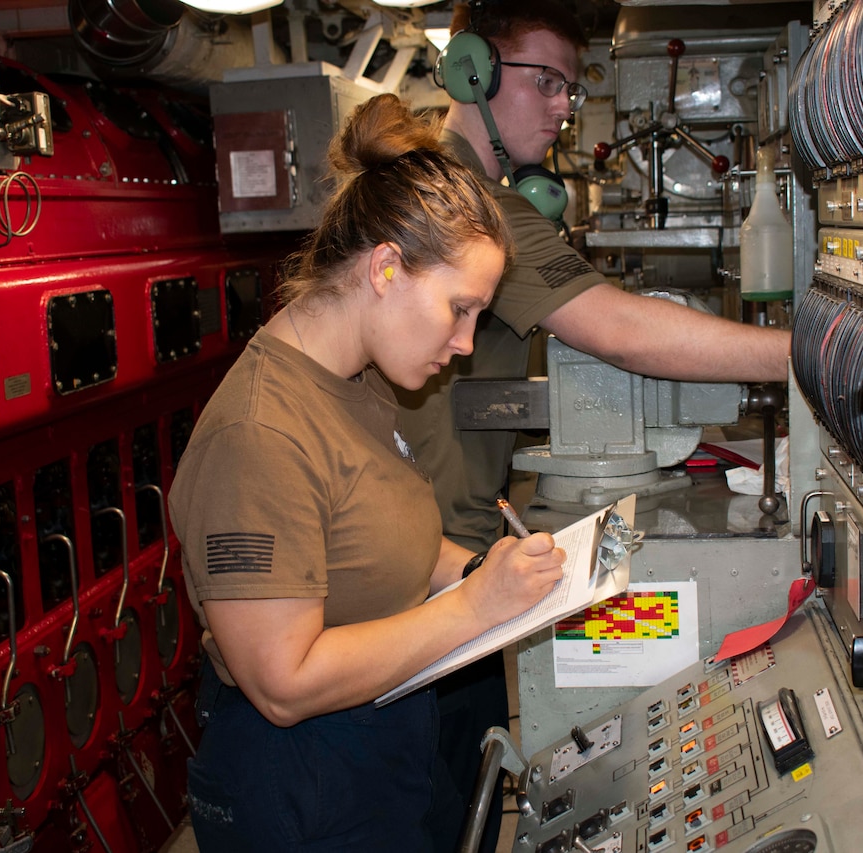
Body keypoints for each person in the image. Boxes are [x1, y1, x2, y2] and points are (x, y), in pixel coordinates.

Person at [392, 1, 796, 848]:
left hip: (444, 564)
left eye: (569, 91)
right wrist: (806, 352)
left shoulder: (438, 183)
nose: (559, 108)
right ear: (470, 68)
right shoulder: (471, 205)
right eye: (544, 82)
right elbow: (618, 329)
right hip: (416, 585)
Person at [167, 93, 567, 853]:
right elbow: (284, 682)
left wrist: (487, 568)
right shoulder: (259, 434)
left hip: (384, 743)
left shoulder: (359, 383)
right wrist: (477, 605)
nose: (466, 343)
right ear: (385, 268)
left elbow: (379, 537)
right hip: (303, 780)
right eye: (459, 309)